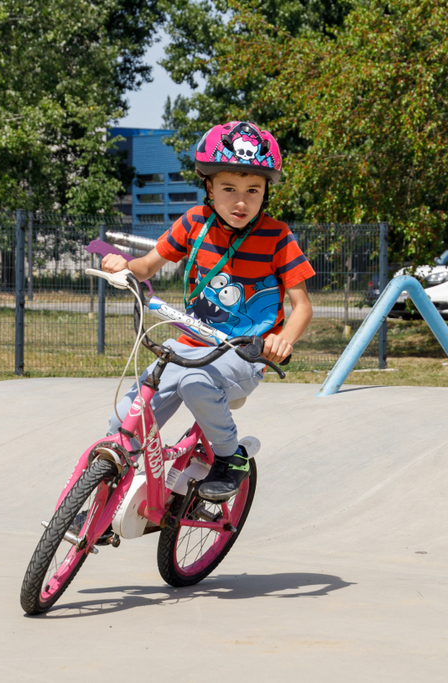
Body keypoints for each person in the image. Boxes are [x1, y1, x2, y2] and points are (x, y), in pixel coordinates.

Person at [101, 121, 314, 501]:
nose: (240, 202)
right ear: (209, 187)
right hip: (188, 344)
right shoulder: (194, 223)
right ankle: (100, 503)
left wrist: (283, 340)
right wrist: (122, 265)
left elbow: (302, 307)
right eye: (228, 189)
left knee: (195, 383)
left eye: (253, 190)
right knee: (123, 421)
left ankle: (231, 458)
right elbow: (145, 267)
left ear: (265, 192)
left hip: (244, 354)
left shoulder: (278, 236)